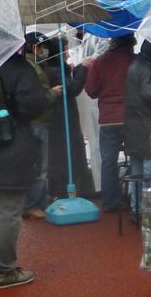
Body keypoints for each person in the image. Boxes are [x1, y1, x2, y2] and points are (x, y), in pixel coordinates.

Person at [0, 49, 52, 289]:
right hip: (13, 144)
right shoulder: (19, 68)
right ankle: (4, 270)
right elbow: (33, 105)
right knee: (9, 211)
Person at [84, 35, 136, 211]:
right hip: (131, 116)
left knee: (108, 161)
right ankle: (136, 202)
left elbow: (91, 91)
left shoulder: (99, 62)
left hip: (108, 117)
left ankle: (110, 202)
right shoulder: (135, 60)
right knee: (136, 158)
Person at [44, 35, 94, 201]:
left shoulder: (56, 68)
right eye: (65, 49)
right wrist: (83, 68)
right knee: (65, 156)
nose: (67, 52)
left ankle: (62, 190)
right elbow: (71, 89)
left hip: (62, 119)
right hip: (62, 119)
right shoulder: (55, 70)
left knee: (65, 155)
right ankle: (63, 192)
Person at [123, 40, 151, 207]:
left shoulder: (135, 64)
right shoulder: (150, 68)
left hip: (133, 125)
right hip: (149, 126)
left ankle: (137, 209)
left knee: (137, 172)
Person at [22, 32, 57, 219]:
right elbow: (40, 95)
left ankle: (40, 200)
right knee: (40, 167)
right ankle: (32, 204)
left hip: (37, 121)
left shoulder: (31, 65)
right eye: (41, 47)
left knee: (39, 165)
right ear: (34, 47)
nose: (44, 51)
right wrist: (54, 93)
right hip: (39, 120)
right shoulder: (33, 68)